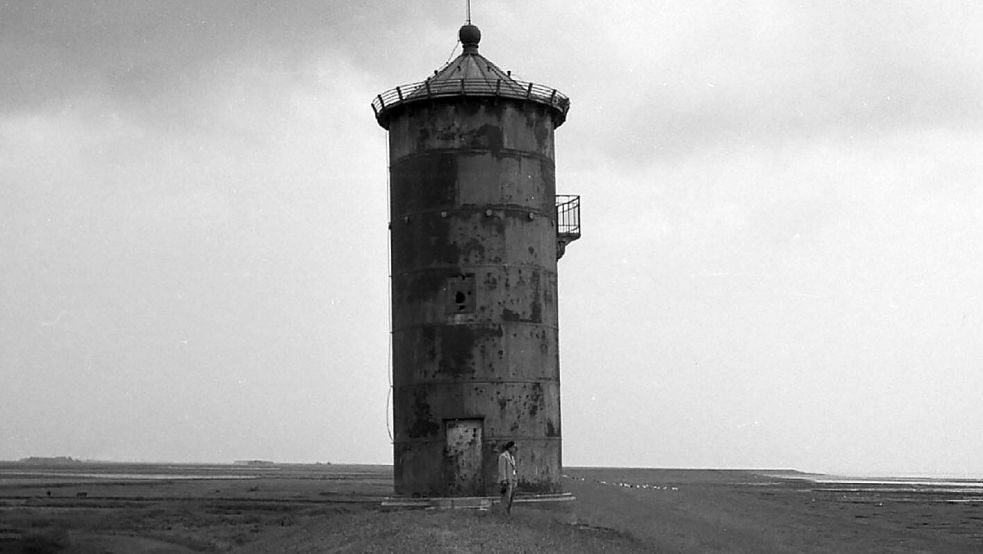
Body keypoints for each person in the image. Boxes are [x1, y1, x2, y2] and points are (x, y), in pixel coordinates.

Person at [497, 441, 518, 515]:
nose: (515, 449)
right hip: (507, 481)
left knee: (511, 499)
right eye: (514, 448)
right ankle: (503, 513)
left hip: (513, 480)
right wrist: (504, 480)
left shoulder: (512, 457)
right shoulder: (503, 456)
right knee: (506, 499)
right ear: (509, 448)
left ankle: (508, 512)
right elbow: (502, 469)